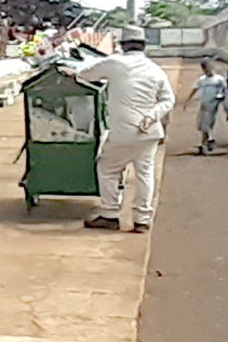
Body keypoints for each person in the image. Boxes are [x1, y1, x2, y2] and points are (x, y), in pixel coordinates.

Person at [73, 27, 174, 232]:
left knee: (108, 168)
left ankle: (110, 214)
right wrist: (152, 115)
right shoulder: (155, 69)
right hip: (150, 131)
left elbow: (84, 75)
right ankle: (142, 220)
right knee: (145, 173)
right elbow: (168, 100)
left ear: (121, 45)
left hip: (124, 131)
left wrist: (74, 73)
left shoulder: (115, 63)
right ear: (144, 46)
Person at [185, 60, 228, 156]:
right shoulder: (202, 80)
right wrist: (188, 100)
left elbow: (224, 90)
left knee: (207, 122)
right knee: (203, 123)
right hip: (204, 103)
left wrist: (222, 99)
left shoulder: (219, 79)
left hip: (213, 103)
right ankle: (206, 141)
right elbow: (195, 89)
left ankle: (208, 140)